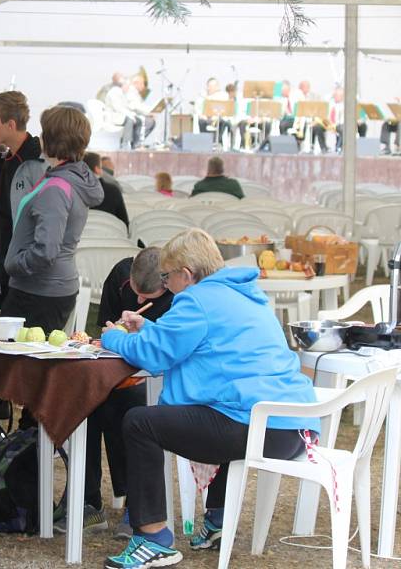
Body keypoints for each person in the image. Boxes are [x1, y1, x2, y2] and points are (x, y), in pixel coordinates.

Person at [100, 228, 319, 569]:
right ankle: (216, 520)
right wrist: (148, 330)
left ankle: (153, 538)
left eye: (167, 276)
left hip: (255, 425)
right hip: (291, 427)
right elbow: (184, 338)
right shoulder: (246, 295)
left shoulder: (196, 300)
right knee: (221, 411)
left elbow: (155, 356)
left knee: (140, 422)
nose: (166, 283)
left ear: (185, 275)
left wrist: (114, 338)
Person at [57, 247, 173, 537]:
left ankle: (137, 501)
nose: (139, 301)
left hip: (156, 376)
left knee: (131, 407)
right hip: (119, 368)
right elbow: (106, 333)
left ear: (168, 283)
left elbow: (166, 350)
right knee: (89, 400)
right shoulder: (119, 274)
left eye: (149, 298)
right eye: (136, 293)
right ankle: (87, 500)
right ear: (130, 274)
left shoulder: (179, 296)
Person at [2, 105, 103, 334]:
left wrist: (14, 264)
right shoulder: (73, 178)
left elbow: (46, 249)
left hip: (37, 291)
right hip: (49, 287)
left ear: (51, 139)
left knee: (18, 366)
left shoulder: (56, 188)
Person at [0, 91, 42, 308]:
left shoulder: (39, 163)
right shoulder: (3, 164)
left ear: (10, 124)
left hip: (31, 281)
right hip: (8, 275)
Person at [85, 151, 128, 228]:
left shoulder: (72, 191)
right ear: (97, 169)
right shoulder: (113, 191)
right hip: (111, 236)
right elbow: (124, 224)